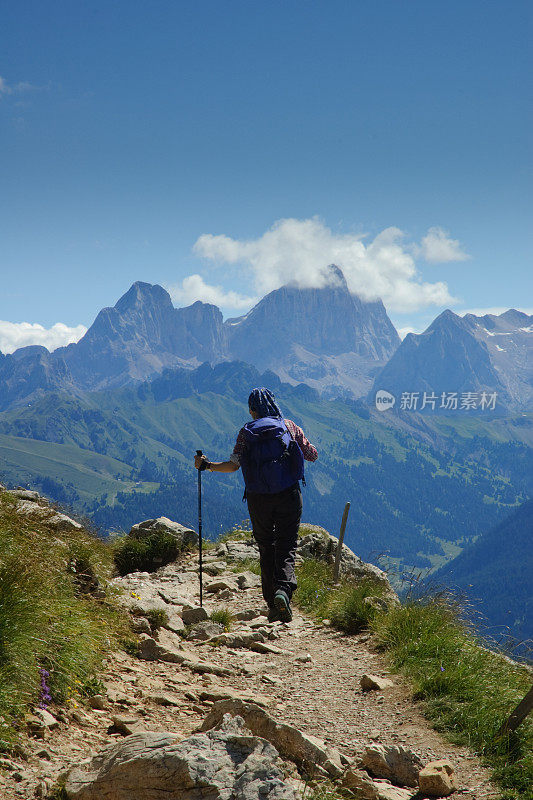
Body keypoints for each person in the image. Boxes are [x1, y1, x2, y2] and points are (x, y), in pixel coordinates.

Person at [194, 387, 318, 623]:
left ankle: (272, 603)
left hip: (258, 499)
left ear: (252, 410)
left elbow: (233, 465)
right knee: (286, 545)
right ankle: (284, 591)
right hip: (289, 495)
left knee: (265, 546)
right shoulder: (289, 426)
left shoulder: (246, 433)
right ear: (273, 404)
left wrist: (207, 465)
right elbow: (312, 455)